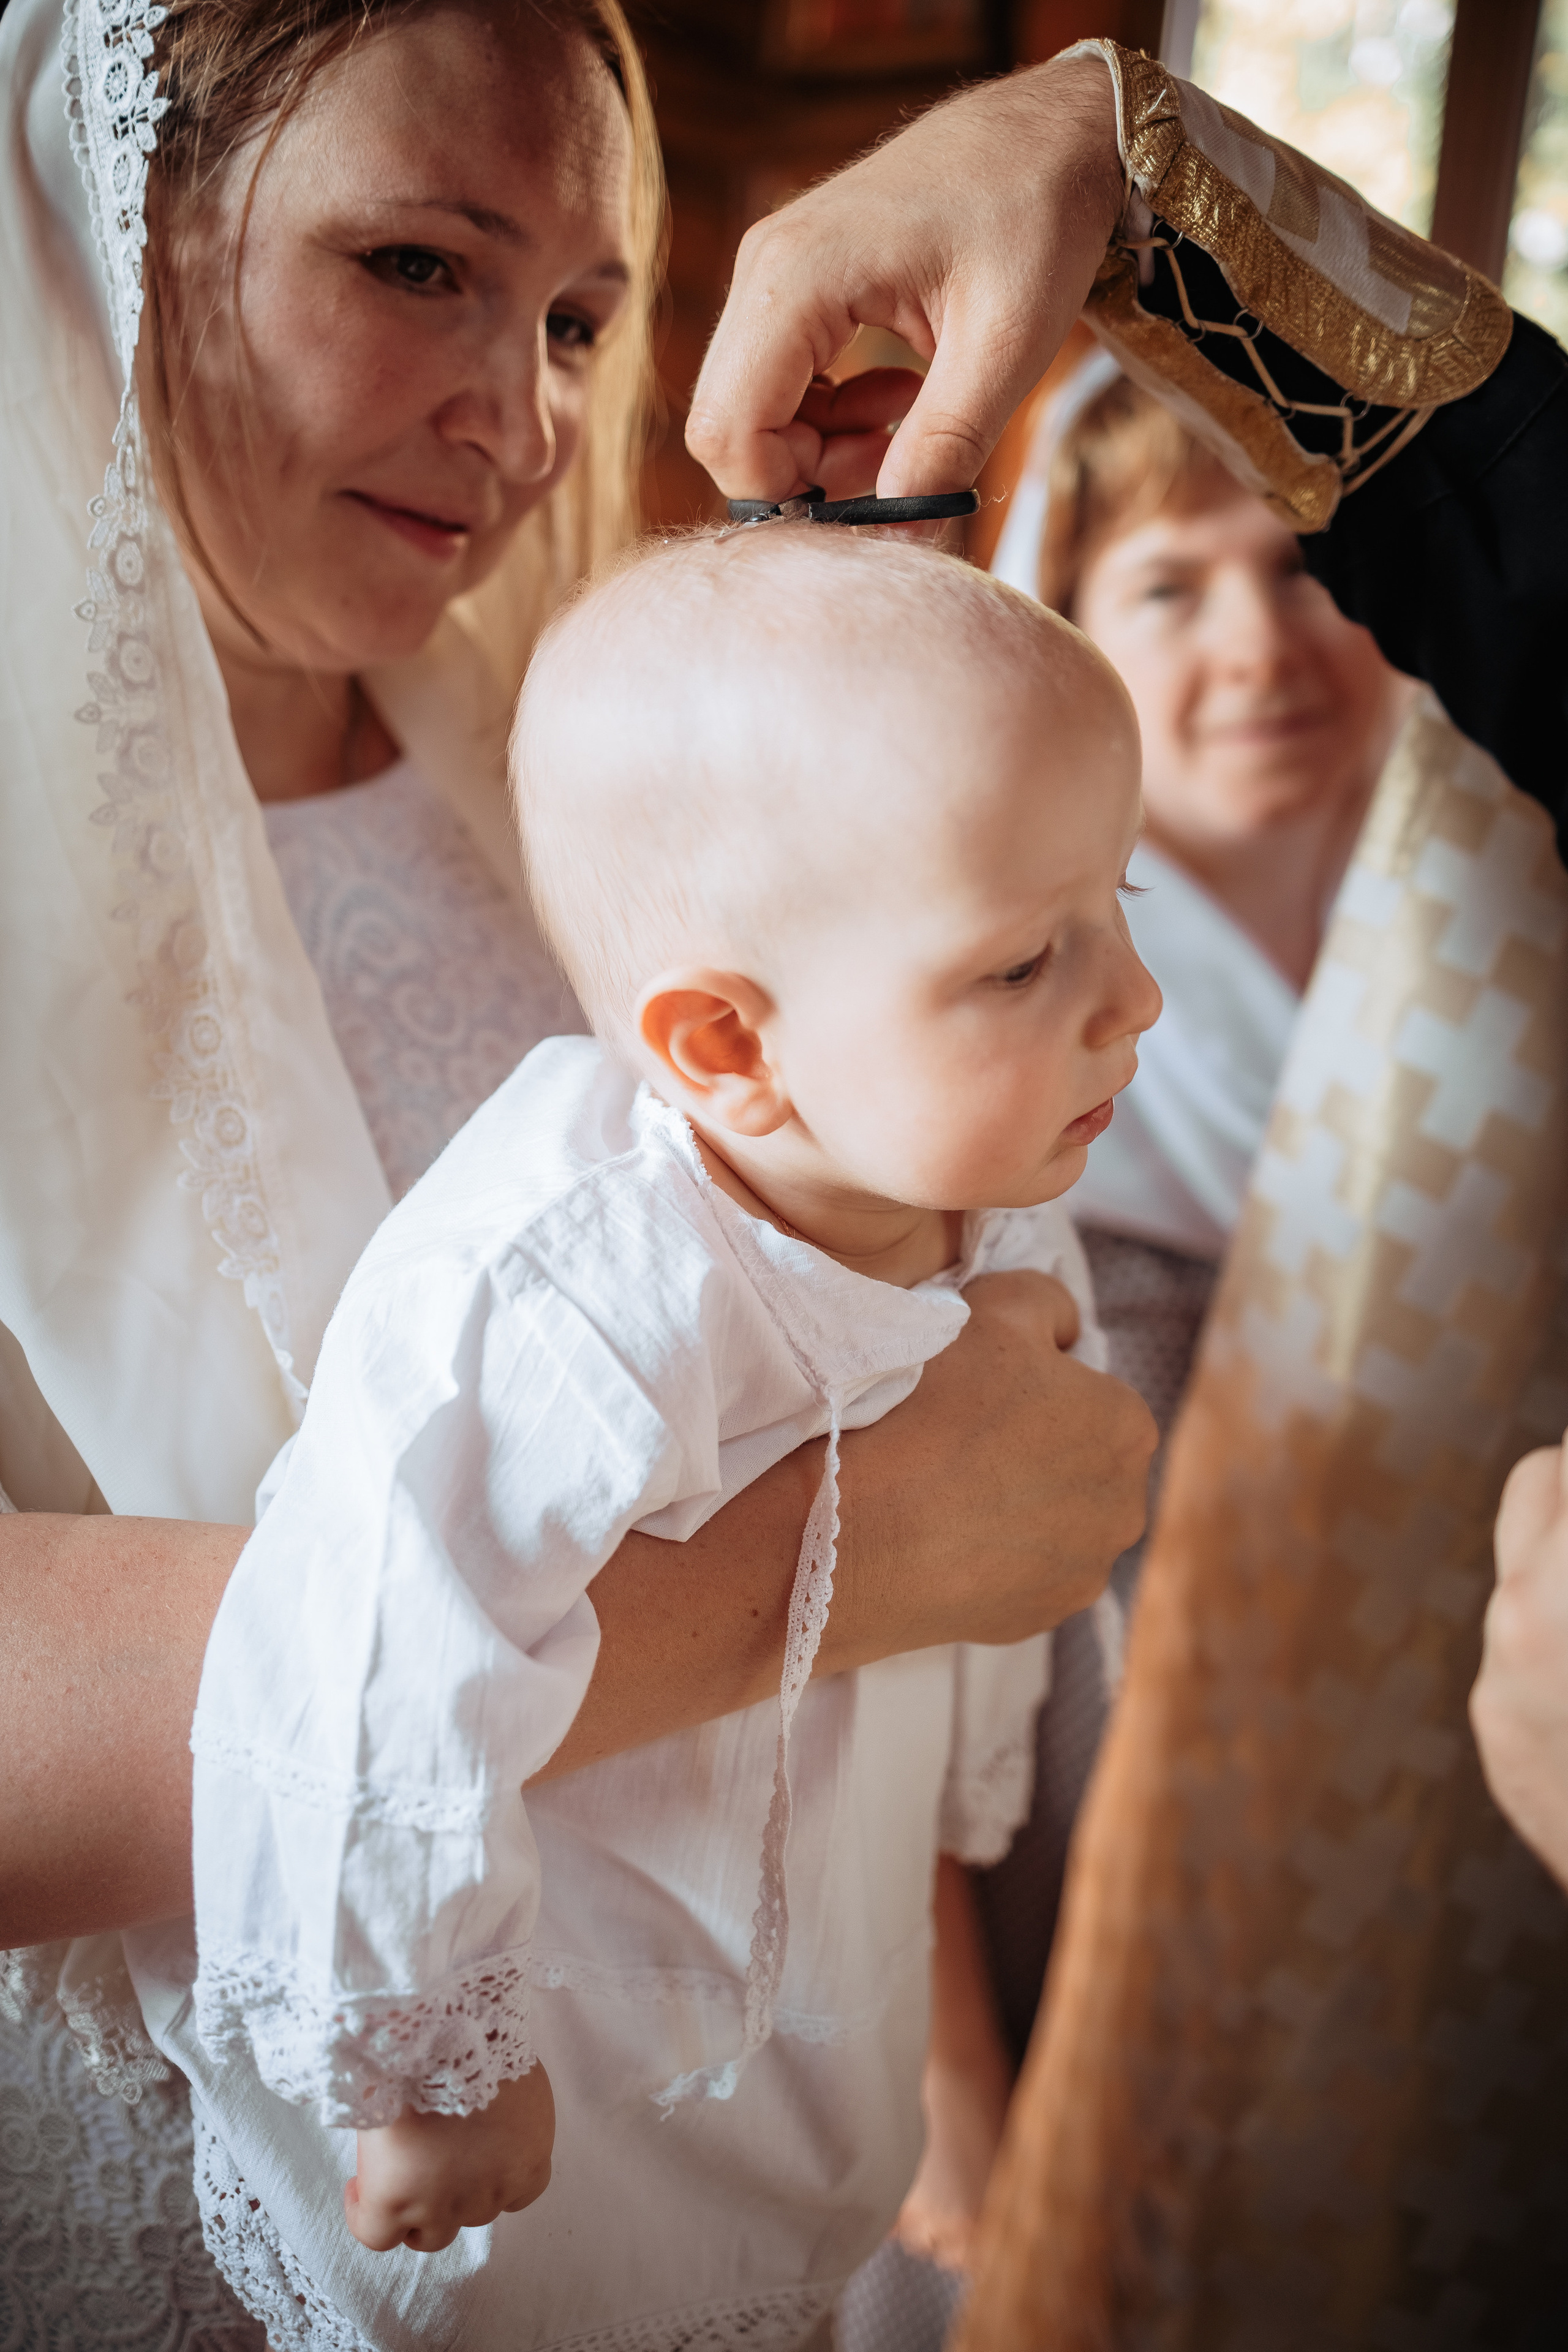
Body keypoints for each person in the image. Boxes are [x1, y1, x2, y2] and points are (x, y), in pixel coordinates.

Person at [0, 3, 1155, 2340]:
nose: (527, 423)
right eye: (417, 266)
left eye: (577, 321)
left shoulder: (582, 778)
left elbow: (798, 1337)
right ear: (104, 233)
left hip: (712, 2148)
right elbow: (854, 1499)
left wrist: (932, 2035)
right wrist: (850, 1558)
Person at [690, 32, 1568, 2345]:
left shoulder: (1486, 966)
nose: (1268, 648)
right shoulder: (947, 1079)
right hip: (1076, 1852)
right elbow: (853, 1629)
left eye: (1308, 580)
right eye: (1171, 596)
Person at [159, 521, 1158, 2349]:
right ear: (725, 1050)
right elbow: (375, 1649)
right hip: (555, 2027)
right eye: (1028, 963)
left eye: (1123, 912)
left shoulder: (973, 1168)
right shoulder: (565, 1294)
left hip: (791, 1970)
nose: (1133, 1004)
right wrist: (424, 2056)